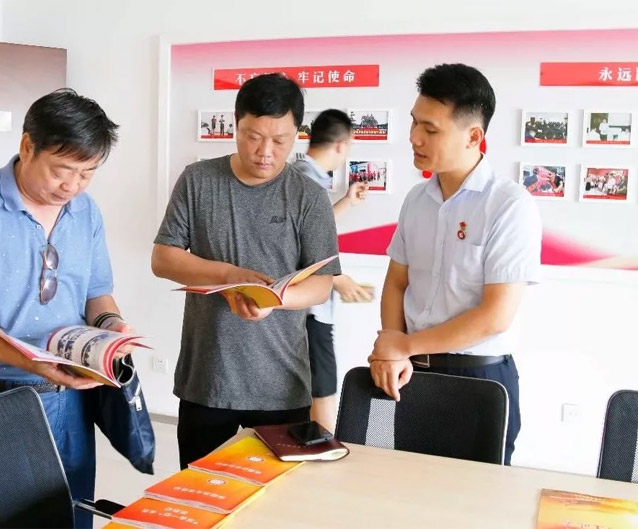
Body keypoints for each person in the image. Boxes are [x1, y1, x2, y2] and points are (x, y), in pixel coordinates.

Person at [0, 88, 145, 527]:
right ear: (28, 146)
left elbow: (96, 292)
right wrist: (30, 361)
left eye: (88, 173)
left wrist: (112, 325)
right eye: (62, 170)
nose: (73, 186)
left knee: (72, 508)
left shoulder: (85, 211)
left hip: (70, 395)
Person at [152, 73, 341, 469]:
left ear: (298, 134)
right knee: (201, 493)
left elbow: (322, 284)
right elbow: (163, 258)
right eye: (253, 137)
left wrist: (275, 301)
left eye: (280, 141)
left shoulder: (308, 196)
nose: (265, 152)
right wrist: (227, 276)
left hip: (281, 385)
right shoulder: (198, 180)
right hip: (207, 379)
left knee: (278, 497)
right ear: (236, 124)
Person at [368, 64, 542, 465]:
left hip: (479, 381)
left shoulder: (508, 205)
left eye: (430, 129)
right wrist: (393, 345)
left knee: (476, 498)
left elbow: (494, 317)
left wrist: (404, 345)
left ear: (473, 136)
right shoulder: (417, 200)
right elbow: (397, 282)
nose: (414, 137)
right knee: (408, 486)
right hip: (413, 374)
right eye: (414, 122)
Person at [292, 108, 371, 433]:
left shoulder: (304, 176)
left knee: (318, 388)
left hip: (310, 310)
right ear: (341, 145)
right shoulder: (305, 180)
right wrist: (338, 278)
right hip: (309, 310)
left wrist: (347, 201)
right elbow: (296, 244)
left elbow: (315, 228)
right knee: (322, 391)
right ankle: (323, 451)